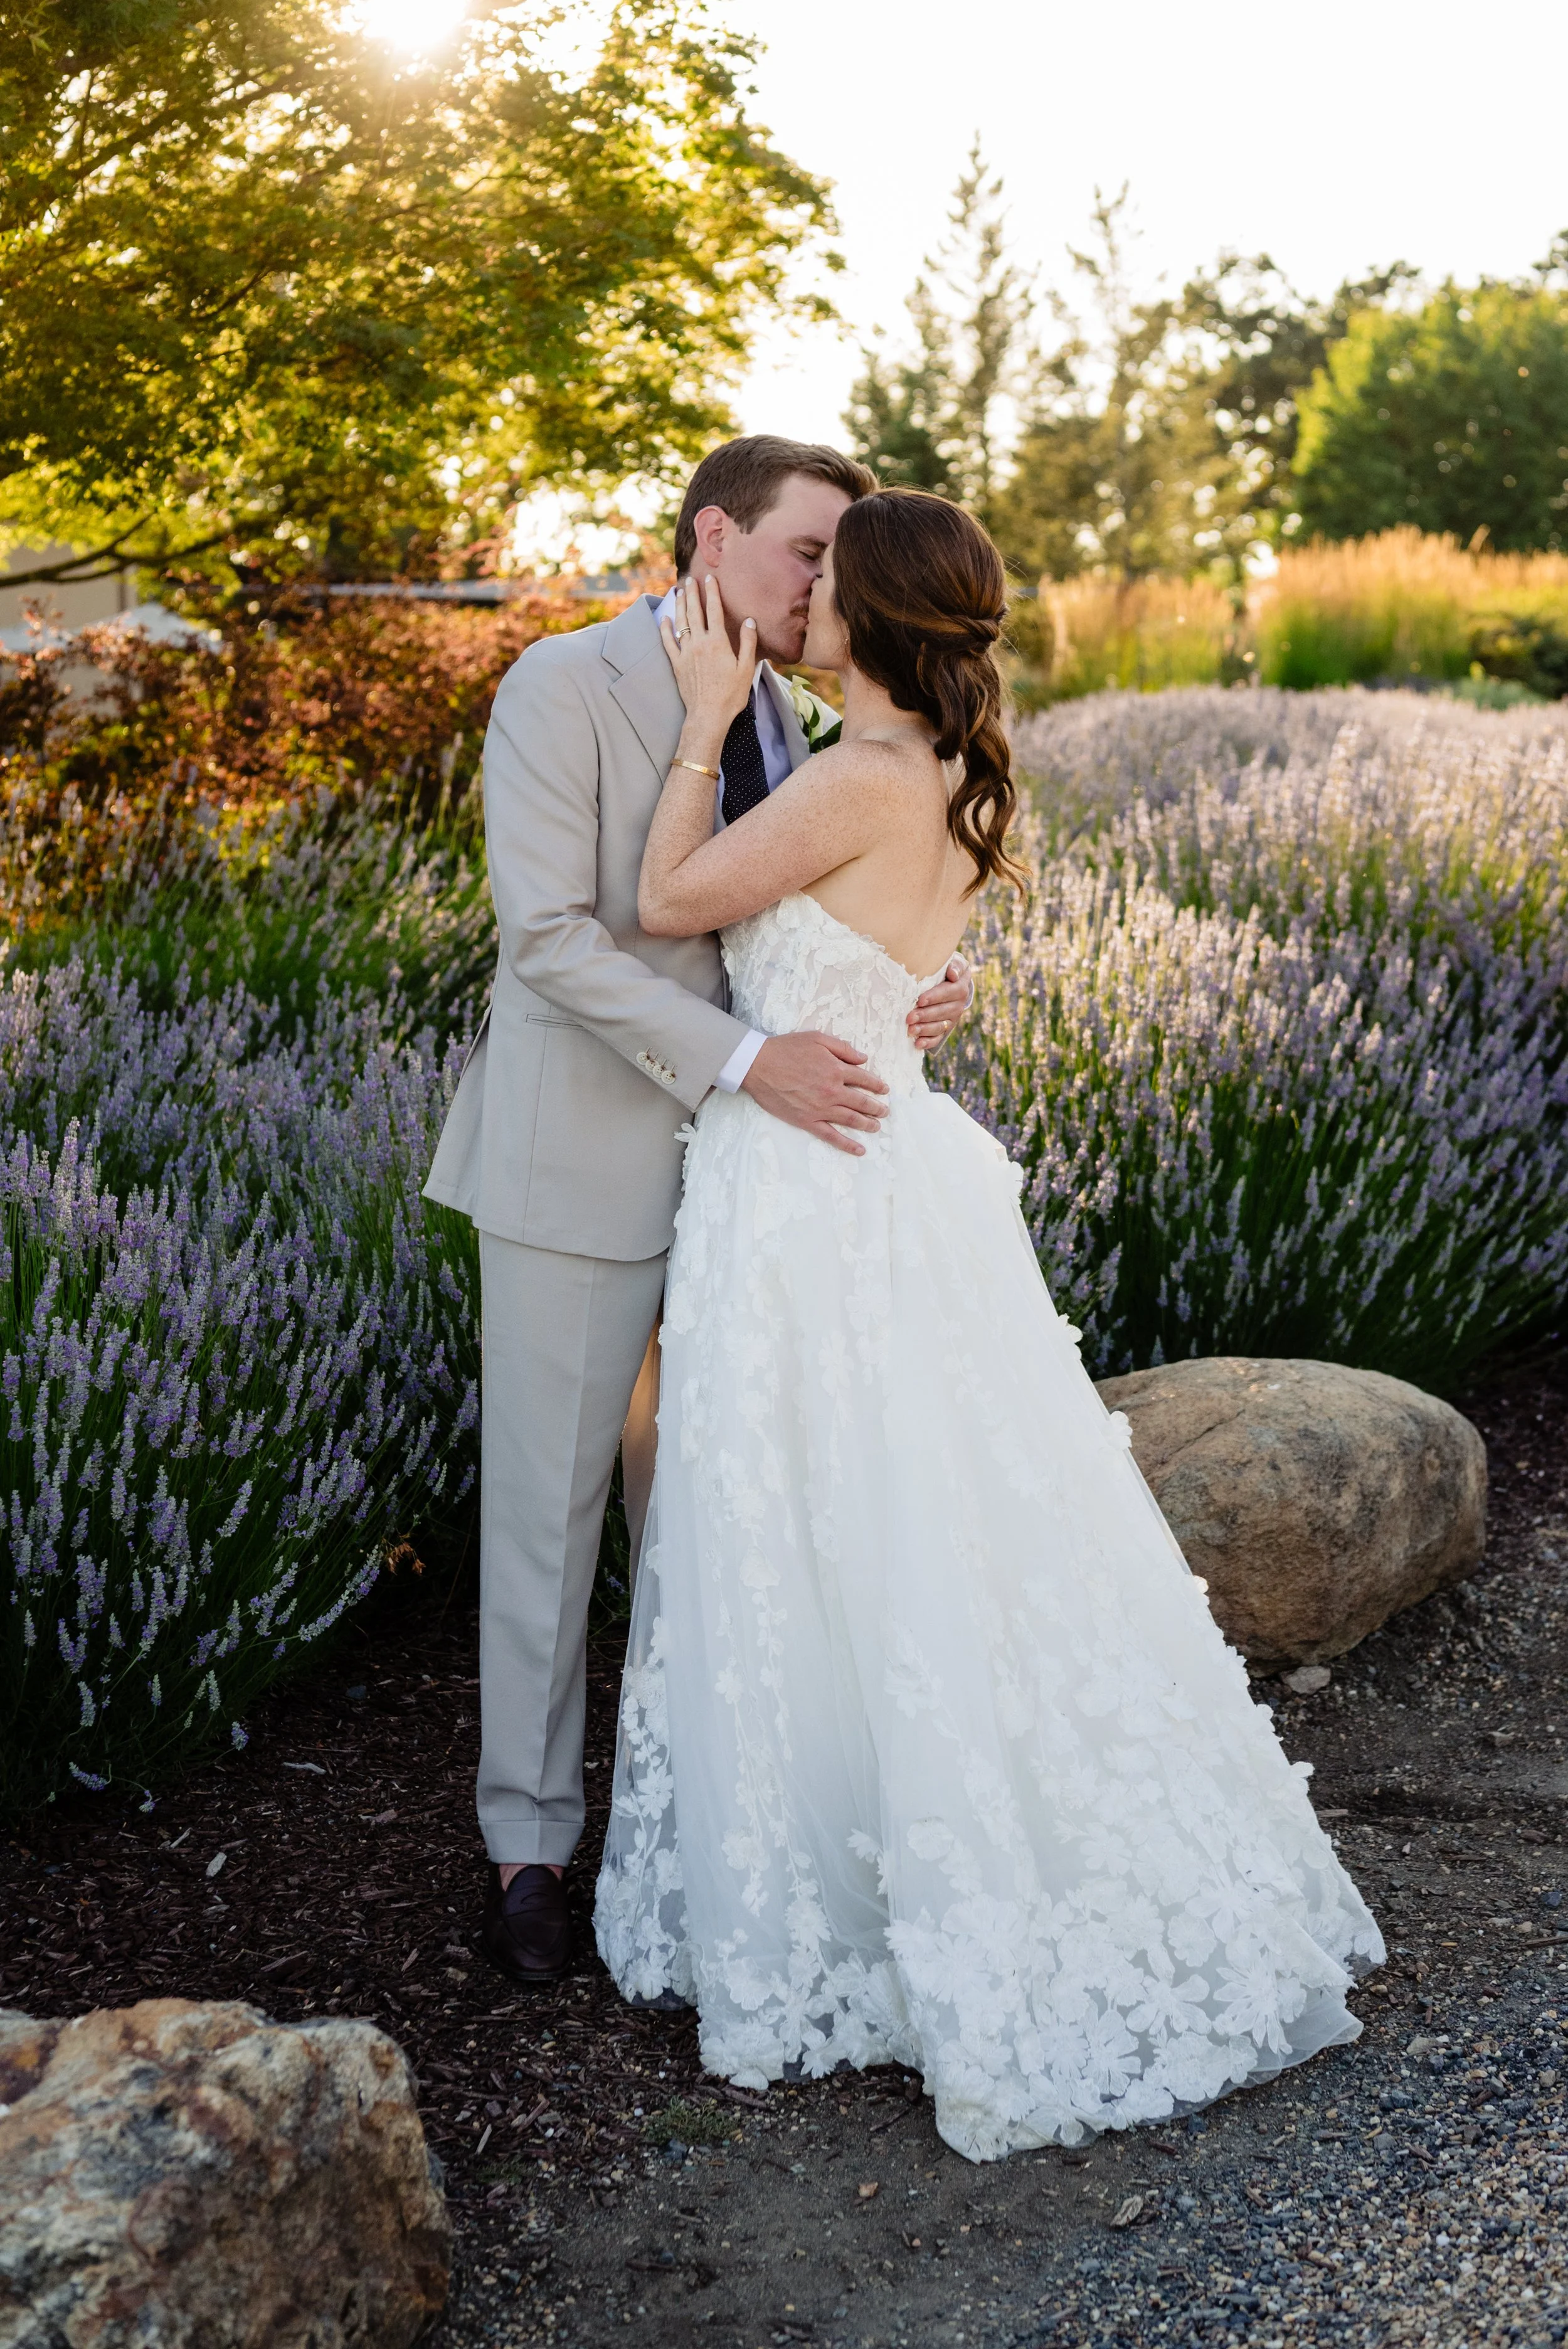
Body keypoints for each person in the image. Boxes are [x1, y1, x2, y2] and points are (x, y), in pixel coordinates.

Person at [593, 487, 1384, 2161]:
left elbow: (669, 903)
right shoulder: (942, 775)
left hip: (812, 1188)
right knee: (913, 1518)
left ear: (865, 619)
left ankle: (866, 1904)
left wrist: (699, 727)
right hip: (878, 1158)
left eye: (822, 580)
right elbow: (882, 964)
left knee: (813, 1521)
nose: (794, 597)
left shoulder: (851, 776)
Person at [423, 439, 975, 1986]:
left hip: (760, 1194)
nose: (825, 585)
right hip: (579, 1165)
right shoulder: (561, 685)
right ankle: (527, 1850)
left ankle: (696, 1834)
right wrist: (748, 1060)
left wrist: (903, 989)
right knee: (548, 1521)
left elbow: (796, 914)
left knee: (717, 1522)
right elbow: (546, 938)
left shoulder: (802, 711)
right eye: (808, 552)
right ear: (713, 537)